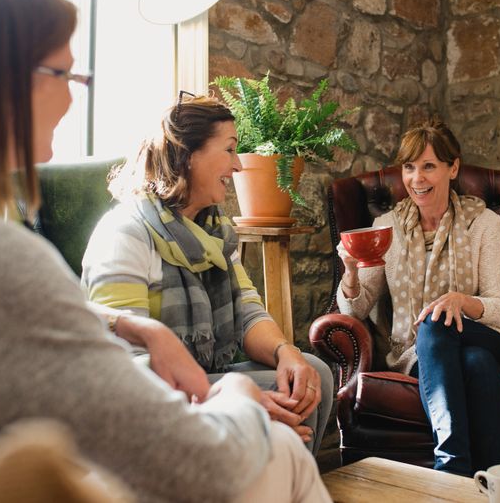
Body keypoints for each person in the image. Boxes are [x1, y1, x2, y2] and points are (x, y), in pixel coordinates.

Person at [0, 0, 330, 502]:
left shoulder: (215, 231)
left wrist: (142, 329)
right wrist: (230, 391)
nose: (72, 100)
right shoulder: (1, 253)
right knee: (286, 454)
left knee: (305, 379)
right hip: (151, 432)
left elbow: (32, 325)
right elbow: (197, 459)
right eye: (64, 74)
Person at [81, 94, 334, 454]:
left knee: (310, 373)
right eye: (229, 150)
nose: (238, 166)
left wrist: (285, 351)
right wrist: (227, 400)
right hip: (150, 394)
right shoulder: (126, 233)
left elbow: (248, 312)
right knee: (276, 397)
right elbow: (121, 363)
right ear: (187, 156)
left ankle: (278, 480)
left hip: (206, 378)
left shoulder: (214, 231)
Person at [336, 119, 500, 475]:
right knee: (475, 364)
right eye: (409, 167)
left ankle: (451, 466)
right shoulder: (386, 228)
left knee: (436, 322)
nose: (416, 179)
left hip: (492, 337)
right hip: (422, 353)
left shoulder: (483, 223)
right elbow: (356, 308)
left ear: (453, 168)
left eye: (428, 166)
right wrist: (349, 270)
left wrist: (460, 301)